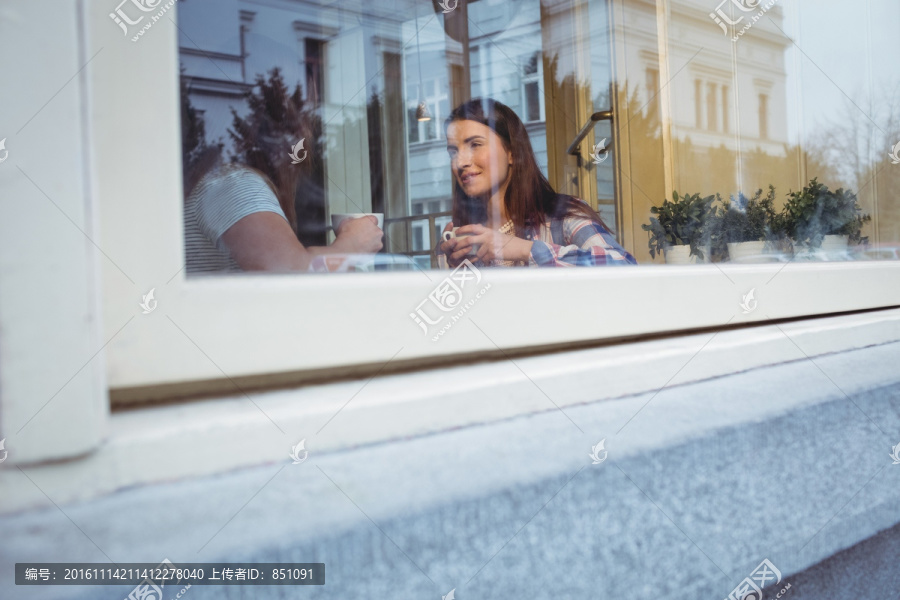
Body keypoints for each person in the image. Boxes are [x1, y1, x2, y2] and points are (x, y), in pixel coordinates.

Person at [438, 98, 637, 268]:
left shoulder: (561, 218)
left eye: (475, 145)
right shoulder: (458, 239)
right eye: (453, 152)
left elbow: (623, 266)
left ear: (512, 153)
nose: (460, 162)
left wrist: (525, 250)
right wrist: (460, 275)